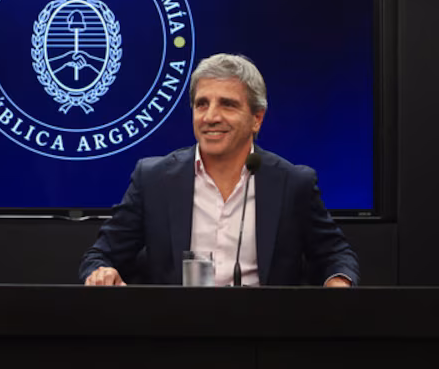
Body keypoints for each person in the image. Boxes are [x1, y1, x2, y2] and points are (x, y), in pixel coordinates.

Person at [80, 53, 359, 287]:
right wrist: (103, 273)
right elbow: (100, 256)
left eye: (227, 104)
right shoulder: (153, 179)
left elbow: (335, 254)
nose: (211, 117)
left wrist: (338, 281)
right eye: (202, 104)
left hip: (264, 330)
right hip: (175, 328)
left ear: (257, 118)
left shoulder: (293, 183)